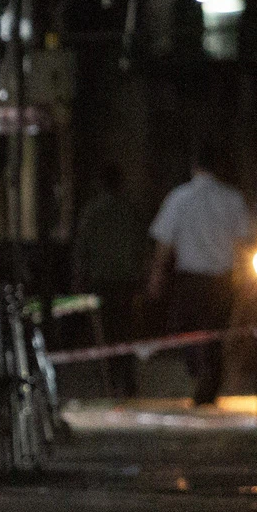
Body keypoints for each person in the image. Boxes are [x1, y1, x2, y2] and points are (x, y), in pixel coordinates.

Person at [147, 142, 257, 406]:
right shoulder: (233, 198)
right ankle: (209, 378)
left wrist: (156, 275)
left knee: (189, 329)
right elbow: (245, 243)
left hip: (189, 278)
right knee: (216, 331)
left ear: (194, 166)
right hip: (222, 279)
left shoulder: (179, 197)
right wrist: (248, 278)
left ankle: (202, 375)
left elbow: (164, 241)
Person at [72, 164, 147, 398]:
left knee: (106, 332)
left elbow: (82, 248)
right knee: (126, 330)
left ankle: (112, 380)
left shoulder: (92, 212)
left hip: (101, 281)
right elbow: (141, 247)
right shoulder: (130, 211)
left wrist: (79, 278)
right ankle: (126, 379)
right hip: (126, 280)